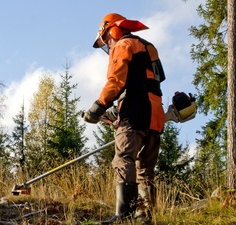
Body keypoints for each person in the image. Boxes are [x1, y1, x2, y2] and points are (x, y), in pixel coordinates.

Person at [82, 13, 166, 224]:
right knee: (145, 168)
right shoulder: (148, 46)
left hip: (135, 111)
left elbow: (116, 81)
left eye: (106, 40)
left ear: (113, 30)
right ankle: (145, 216)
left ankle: (124, 215)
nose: (108, 46)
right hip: (155, 115)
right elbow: (147, 82)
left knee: (123, 159)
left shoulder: (123, 45)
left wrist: (98, 107)